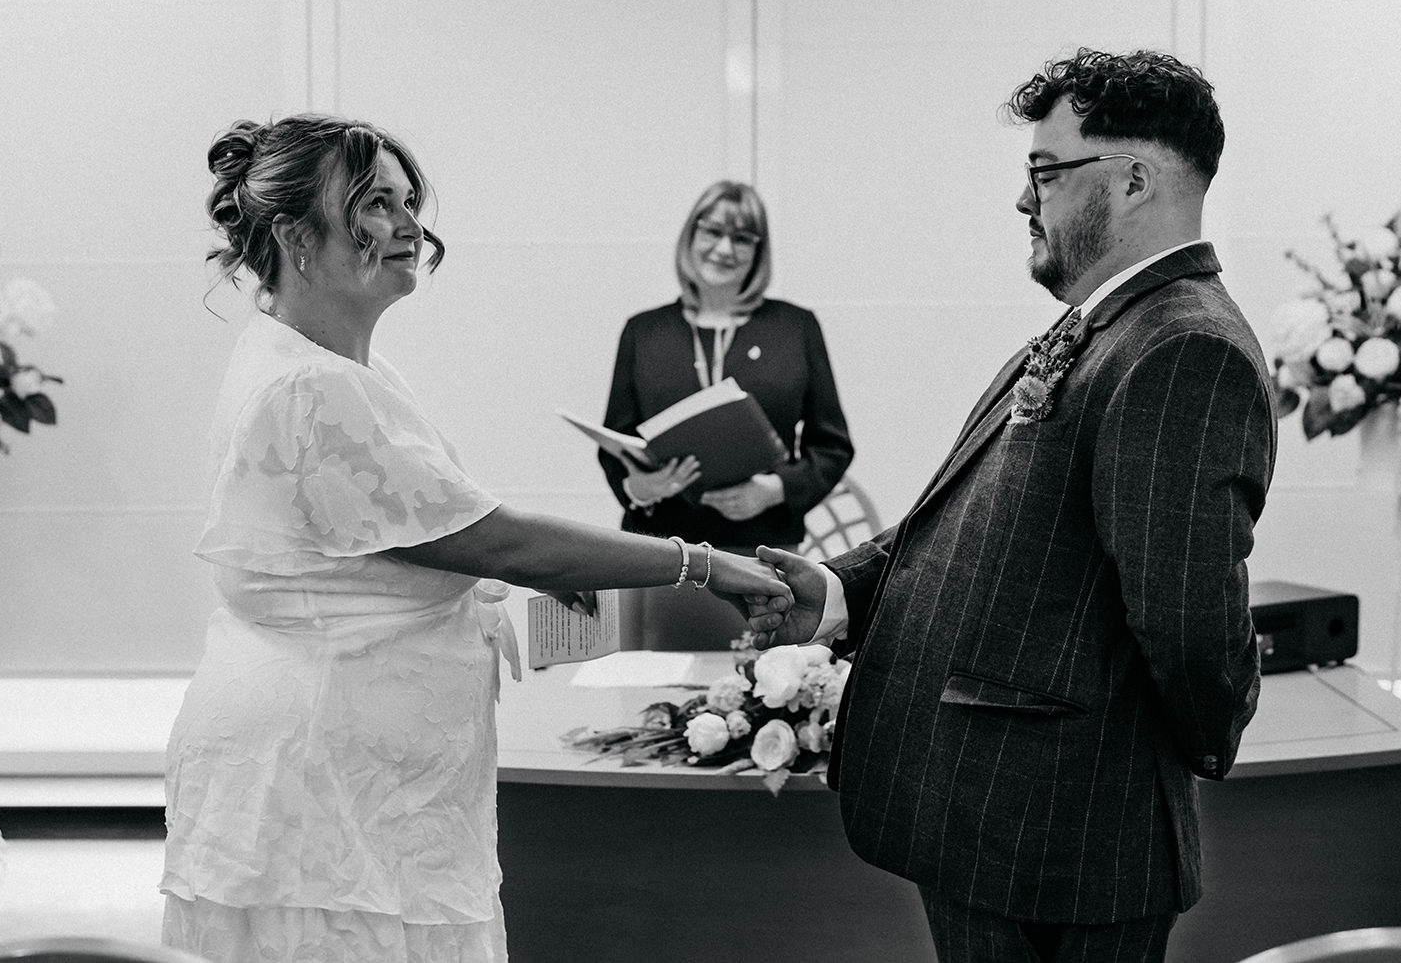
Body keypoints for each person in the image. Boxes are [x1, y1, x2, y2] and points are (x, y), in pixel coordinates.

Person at [160, 115, 789, 963]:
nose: (411, 226)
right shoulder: (309, 386)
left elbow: (429, 542)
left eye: (408, 200)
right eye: (375, 203)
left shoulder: (341, 370)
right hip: (321, 779)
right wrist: (700, 562)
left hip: (350, 768)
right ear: (294, 237)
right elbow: (497, 541)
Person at [756, 50, 1274, 963]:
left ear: (1133, 180)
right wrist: (837, 590)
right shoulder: (1107, 325)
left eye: (1045, 172)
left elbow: (1187, 616)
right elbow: (983, 526)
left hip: (1065, 826)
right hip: (1003, 815)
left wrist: (1192, 741)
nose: (1024, 199)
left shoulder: (1184, 348)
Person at [598, 180, 853, 649]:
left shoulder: (795, 327)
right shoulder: (645, 331)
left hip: (761, 552)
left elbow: (832, 445)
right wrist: (641, 488)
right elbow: (615, 441)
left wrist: (773, 489)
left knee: (757, 695)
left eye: (742, 238)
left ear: (759, 251)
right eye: (712, 231)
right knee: (657, 697)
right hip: (658, 552)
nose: (724, 248)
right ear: (690, 237)